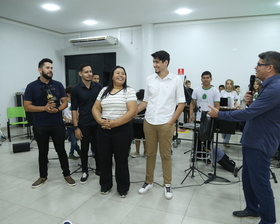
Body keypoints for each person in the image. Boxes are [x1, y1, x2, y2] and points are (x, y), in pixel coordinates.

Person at [208, 51, 280, 224]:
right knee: (248, 179)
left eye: (259, 64)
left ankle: (268, 221)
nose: (256, 67)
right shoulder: (268, 86)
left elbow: (250, 114)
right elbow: (260, 111)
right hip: (253, 139)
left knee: (261, 183)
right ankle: (252, 208)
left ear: (270, 67)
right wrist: (250, 102)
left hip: (260, 142)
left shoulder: (275, 87)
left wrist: (221, 115)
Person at [137, 50, 185, 200]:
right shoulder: (150, 79)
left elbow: (181, 103)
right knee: (150, 154)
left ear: (166, 62)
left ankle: (167, 184)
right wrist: (132, 112)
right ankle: (148, 181)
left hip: (166, 123)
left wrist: (172, 121)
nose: (155, 65)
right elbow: (145, 101)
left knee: (165, 155)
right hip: (149, 121)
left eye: (157, 62)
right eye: (153, 62)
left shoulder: (176, 80)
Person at [24, 58, 75, 188]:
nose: (50, 70)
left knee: (61, 150)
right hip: (40, 124)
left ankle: (67, 175)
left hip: (57, 123)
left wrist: (57, 109)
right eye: (47, 68)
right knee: (43, 151)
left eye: (51, 68)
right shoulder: (31, 86)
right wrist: (44, 108)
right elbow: (27, 106)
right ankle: (43, 176)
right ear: (40, 70)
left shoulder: (58, 85)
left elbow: (64, 102)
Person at [92, 65, 137, 198]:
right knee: (104, 159)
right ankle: (105, 185)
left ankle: (123, 188)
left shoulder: (129, 91)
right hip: (103, 128)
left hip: (122, 130)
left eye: (123, 73)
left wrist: (115, 123)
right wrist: (100, 121)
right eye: (117, 72)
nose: (121, 75)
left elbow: (132, 111)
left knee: (121, 160)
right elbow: (95, 107)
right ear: (112, 76)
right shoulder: (104, 90)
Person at [190, 71, 235, 172]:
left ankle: (207, 156)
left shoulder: (215, 91)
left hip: (210, 118)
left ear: (211, 79)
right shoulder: (197, 90)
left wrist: (215, 114)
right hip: (198, 118)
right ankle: (197, 155)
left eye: (207, 77)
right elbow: (192, 103)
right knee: (197, 137)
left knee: (208, 138)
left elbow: (217, 105)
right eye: (204, 78)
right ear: (201, 79)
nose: (205, 79)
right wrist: (191, 115)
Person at [71, 64, 102, 184]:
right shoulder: (76, 89)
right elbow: (74, 109)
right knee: (84, 148)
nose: (89, 74)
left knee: (99, 147)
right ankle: (85, 170)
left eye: (90, 71)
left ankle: (99, 168)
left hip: (97, 122)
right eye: (86, 72)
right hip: (84, 123)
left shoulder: (98, 87)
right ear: (80, 74)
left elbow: (102, 105)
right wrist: (76, 127)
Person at [62, 86, 81, 160]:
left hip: (76, 123)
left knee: (75, 139)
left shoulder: (76, 101)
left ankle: (71, 153)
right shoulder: (64, 103)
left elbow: (78, 111)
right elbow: (61, 113)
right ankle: (78, 151)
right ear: (68, 94)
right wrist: (67, 119)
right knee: (73, 140)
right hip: (68, 123)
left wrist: (77, 118)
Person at [220, 79, 238, 147]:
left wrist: (237, 106)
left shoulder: (234, 92)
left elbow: (235, 102)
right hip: (223, 110)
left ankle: (226, 141)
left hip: (231, 110)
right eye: (228, 84)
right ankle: (224, 138)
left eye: (230, 84)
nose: (229, 85)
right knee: (224, 126)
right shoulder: (222, 92)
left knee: (229, 126)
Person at [130, 89, 147, 158]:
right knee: (137, 137)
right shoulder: (136, 102)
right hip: (136, 122)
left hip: (145, 121)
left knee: (145, 138)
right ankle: (137, 151)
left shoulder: (147, 103)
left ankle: (146, 152)